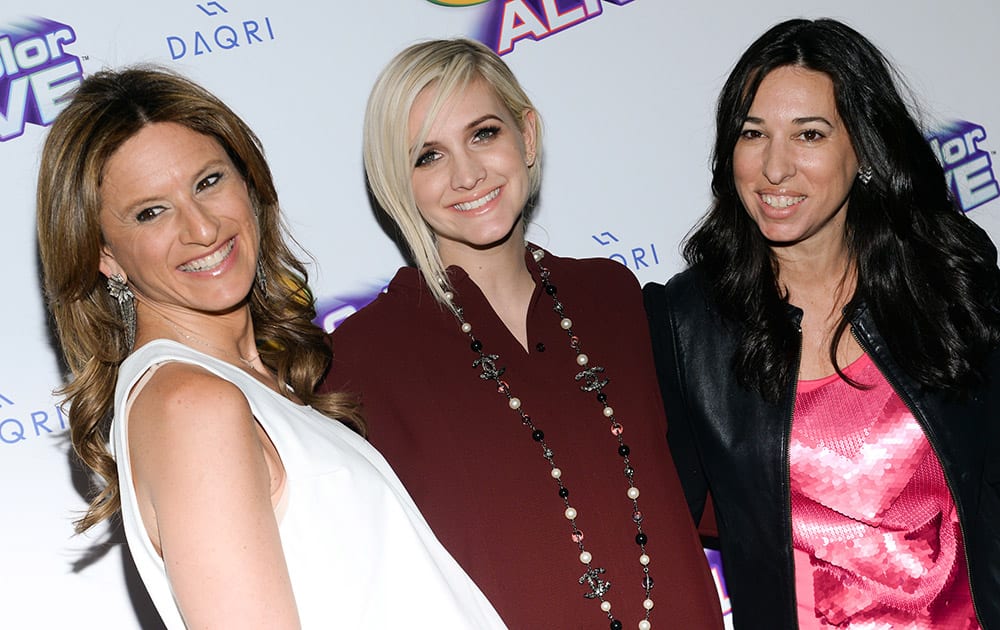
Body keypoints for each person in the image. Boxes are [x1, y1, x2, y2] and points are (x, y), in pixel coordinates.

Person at [36, 67, 505, 629]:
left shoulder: (244, 385)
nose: (203, 229)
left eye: (208, 181)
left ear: (247, 182)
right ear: (104, 255)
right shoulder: (190, 406)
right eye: (150, 212)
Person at [322, 38, 724, 630]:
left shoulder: (611, 297)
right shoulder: (360, 357)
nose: (467, 174)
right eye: (427, 156)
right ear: (394, 181)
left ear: (526, 136)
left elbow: (725, 480)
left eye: (484, 133)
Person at [643, 18, 1000, 629]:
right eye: (752, 134)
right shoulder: (688, 326)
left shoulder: (944, 275)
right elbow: (655, 534)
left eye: (809, 134)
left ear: (862, 148)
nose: (774, 168)